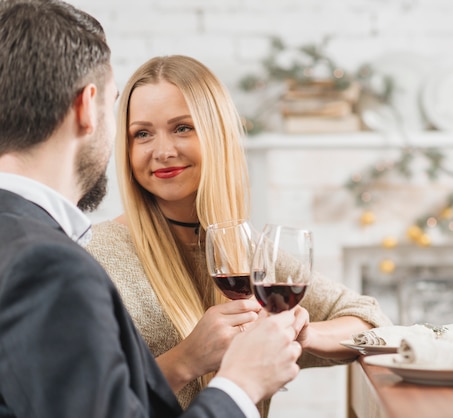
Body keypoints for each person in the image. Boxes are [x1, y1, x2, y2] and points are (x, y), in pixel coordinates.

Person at [0, 1, 303, 417]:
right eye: (118, 110)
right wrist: (240, 384)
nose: (162, 151)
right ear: (88, 107)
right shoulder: (49, 264)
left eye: (182, 127)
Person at [85, 55, 392, 415]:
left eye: (182, 128)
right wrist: (187, 359)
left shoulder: (248, 254)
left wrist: (298, 333)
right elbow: (89, 404)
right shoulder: (96, 255)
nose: (163, 151)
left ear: (217, 135)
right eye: (143, 134)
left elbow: (371, 321)